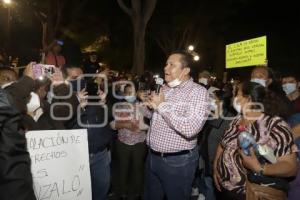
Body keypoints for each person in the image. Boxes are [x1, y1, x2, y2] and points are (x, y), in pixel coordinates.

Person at [141, 51, 209, 200]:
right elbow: (152, 116)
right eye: (166, 64)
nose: (166, 68)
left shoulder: (198, 92)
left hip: (177, 162)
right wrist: (146, 106)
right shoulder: (164, 88)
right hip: (152, 157)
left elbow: (191, 129)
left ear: (185, 70)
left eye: (172, 65)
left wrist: (162, 106)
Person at [213, 81, 297, 200]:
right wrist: (216, 168)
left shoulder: (275, 125)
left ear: (248, 98)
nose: (233, 98)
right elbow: (223, 145)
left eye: (236, 94)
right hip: (225, 190)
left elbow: (291, 167)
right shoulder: (235, 121)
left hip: (252, 193)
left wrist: (260, 168)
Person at [111, 84, 147, 200]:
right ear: (124, 94)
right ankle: (123, 193)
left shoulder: (142, 105)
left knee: (138, 168)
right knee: (123, 168)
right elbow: (112, 124)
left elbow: (151, 118)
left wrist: (145, 105)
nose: (130, 95)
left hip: (139, 143)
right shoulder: (118, 106)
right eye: (128, 93)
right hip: (123, 143)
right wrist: (125, 125)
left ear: (136, 93)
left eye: (132, 92)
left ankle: (138, 193)